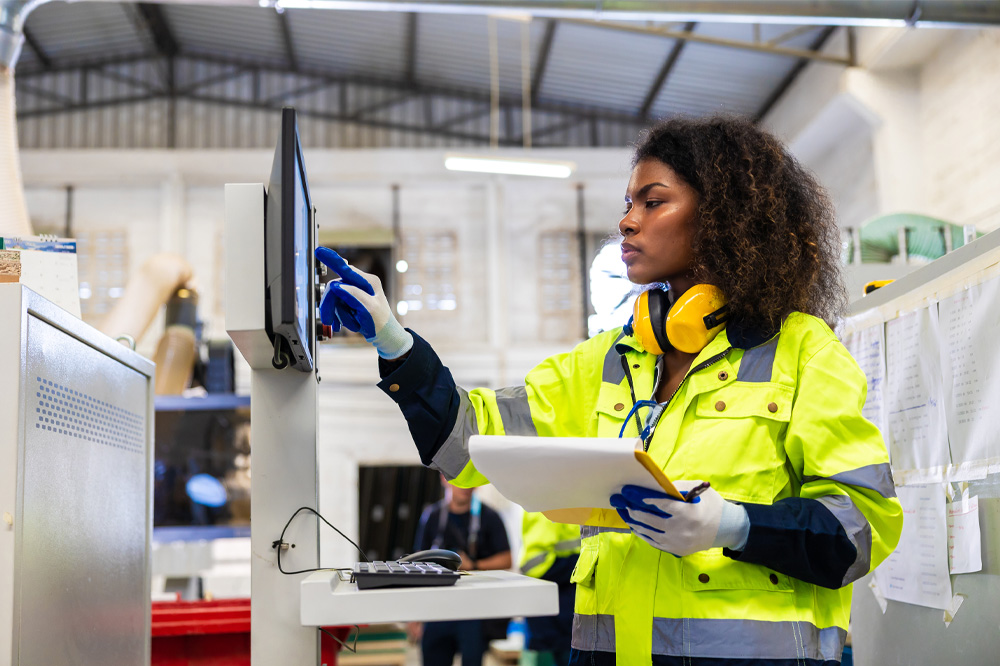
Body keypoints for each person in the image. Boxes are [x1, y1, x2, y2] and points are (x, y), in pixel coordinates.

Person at [315, 114, 903, 666]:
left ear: (723, 216)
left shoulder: (804, 352)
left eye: (654, 202)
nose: (627, 221)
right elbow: (466, 443)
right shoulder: (608, 363)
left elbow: (863, 528)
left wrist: (736, 526)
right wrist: (394, 341)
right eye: (629, 204)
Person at [410, 476, 512, 666]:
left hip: (473, 613)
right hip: (437, 611)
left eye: (470, 479)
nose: (465, 486)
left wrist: (474, 565)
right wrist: (414, 615)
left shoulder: (489, 517)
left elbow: (507, 559)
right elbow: (416, 566)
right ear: (444, 478)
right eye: (459, 479)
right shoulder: (432, 517)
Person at [519, 513, 580, 666]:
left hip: (563, 619)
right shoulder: (546, 508)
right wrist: (584, 563)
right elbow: (535, 565)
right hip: (553, 621)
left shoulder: (568, 503)